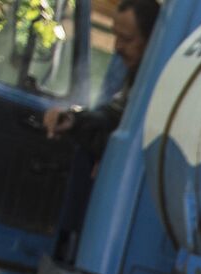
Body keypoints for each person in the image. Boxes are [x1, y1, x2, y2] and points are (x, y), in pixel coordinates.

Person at [44, 0, 158, 157]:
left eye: (127, 39)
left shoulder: (156, 89)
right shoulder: (133, 80)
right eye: (116, 36)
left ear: (151, 41)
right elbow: (112, 115)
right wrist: (74, 120)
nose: (117, 46)